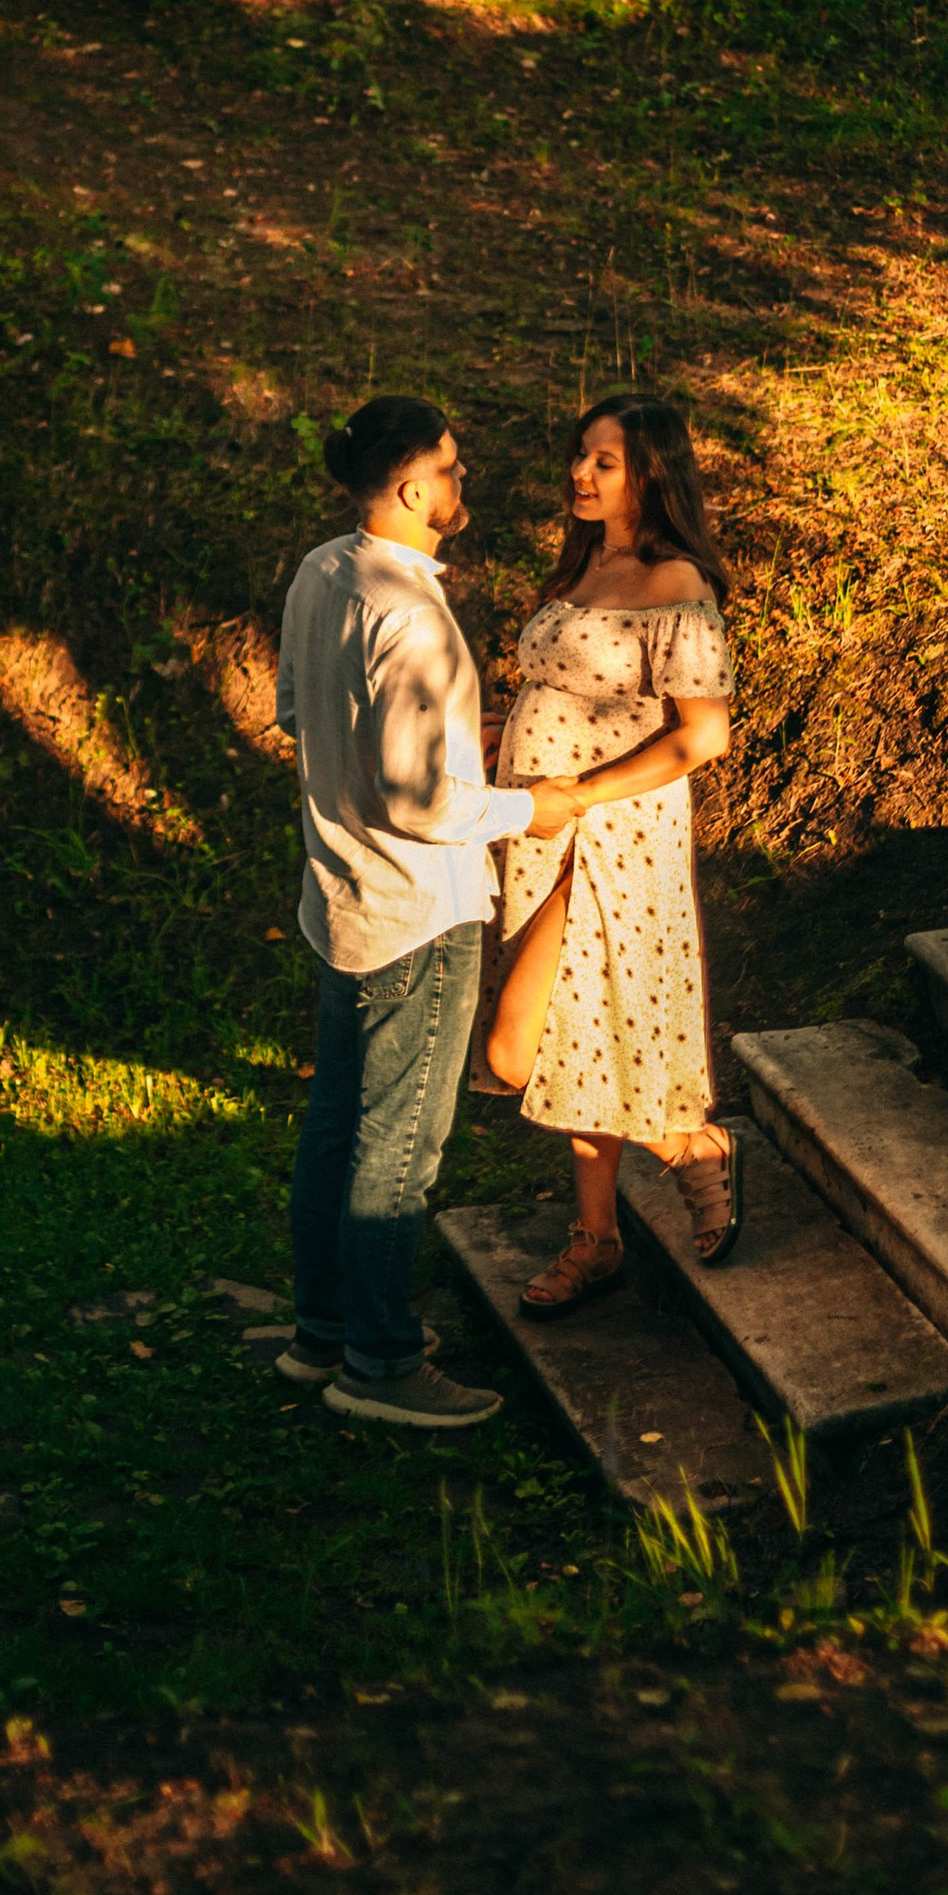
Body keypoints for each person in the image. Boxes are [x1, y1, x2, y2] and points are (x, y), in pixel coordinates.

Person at [275, 394, 583, 1429]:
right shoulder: (411, 615)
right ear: (411, 488)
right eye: (452, 469)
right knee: (397, 1145)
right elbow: (428, 804)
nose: (463, 484)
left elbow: (300, 712)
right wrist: (536, 808)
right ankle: (378, 1363)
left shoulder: (323, 571)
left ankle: (321, 1329)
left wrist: (458, 734)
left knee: (336, 1126)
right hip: (415, 912)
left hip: (337, 894)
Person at [480, 394, 739, 1313]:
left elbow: (700, 737)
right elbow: (559, 688)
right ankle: (596, 1239)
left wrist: (580, 794)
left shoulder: (677, 585)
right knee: (580, 1036)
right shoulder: (587, 560)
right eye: (581, 457)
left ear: (652, 475)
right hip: (537, 823)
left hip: (611, 837)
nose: (580, 475)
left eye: (605, 463)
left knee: (517, 1050)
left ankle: (687, 1147)